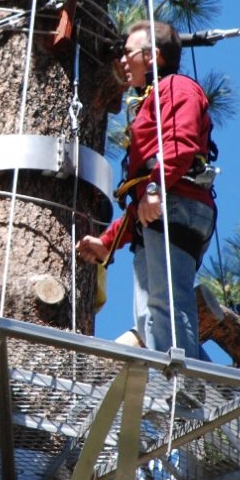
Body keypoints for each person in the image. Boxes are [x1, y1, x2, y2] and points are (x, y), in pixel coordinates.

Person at [77, 20, 217, 357]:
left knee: (166, 306)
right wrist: (107, 243)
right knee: (149, 319)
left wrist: (155, 189)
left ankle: (181, 391)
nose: (122, 61)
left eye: (128, 53)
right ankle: (203, 387)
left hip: (176, 201)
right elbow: (141, 194)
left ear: (152, 56)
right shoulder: (155, 96)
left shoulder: (175, 87)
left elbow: (179, 145)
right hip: (164, 205)